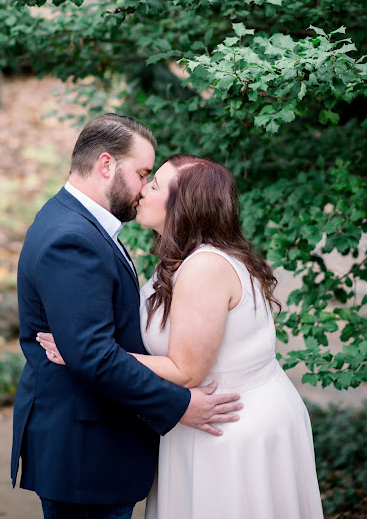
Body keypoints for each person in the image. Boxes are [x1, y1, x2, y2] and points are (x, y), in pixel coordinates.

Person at [40, 153, 324, 519]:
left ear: (183, 206)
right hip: (204, 420)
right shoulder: (185, 258)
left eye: (154, 184)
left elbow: (186, 371)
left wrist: (85, 352)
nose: (142, 189)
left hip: (229, 428)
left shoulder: (204, 267)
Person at [12, 115, 242, 519]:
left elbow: (90, 348)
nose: (143, 188)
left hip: (93, 447)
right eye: (142, 174)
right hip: (85, 453)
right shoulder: (73, 238)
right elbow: (94, 357)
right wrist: (180, 405)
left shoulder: (80, 223)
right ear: (106, 165)